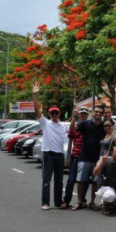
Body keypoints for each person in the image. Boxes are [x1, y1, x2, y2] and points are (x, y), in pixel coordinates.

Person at [33, 82, 69, 210]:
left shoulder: (64, 125)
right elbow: (37, 110)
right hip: (48, 155)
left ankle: (58, 202)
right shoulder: (45, 123)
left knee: (59, 181)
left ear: (59, 114)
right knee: (46, 181)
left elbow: (75, 129)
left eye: (56, 113)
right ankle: (45, 203)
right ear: (49, 114)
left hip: (59, 156)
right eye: (52, 113)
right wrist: (35, 95)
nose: (54, 115)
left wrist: (75, 115)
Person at [72, 103, 105, 211]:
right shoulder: (85, 123)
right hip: (84, 157)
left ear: (102, 114)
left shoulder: (104, 126)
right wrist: (74, 117)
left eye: (100, 112)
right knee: (81, 180)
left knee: (95, 181)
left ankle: (92, 202)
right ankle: (79, 202)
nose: (98, 113)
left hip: (97, 159)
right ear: (93, 113)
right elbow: (73, 128)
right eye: (96, 111)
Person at [64, 106, 89, 208]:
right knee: (71, 179)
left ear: (87, 115)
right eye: (81, 114)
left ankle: (82, 200)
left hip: (86, 156)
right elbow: (70, 142)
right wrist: (68, 157)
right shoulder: (74, 126)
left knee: (84, 180)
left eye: (85, 114)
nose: (83, 116)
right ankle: (66, 201)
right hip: (75, 155)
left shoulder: (89, 126)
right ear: (79, 115)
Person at [93, 144, 116, 215]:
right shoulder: (106, 161)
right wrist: (102, 163)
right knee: (110, 196)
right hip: (106, 187)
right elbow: (95, 173)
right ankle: (106, 205)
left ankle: (115, 205)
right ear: (112, 153)